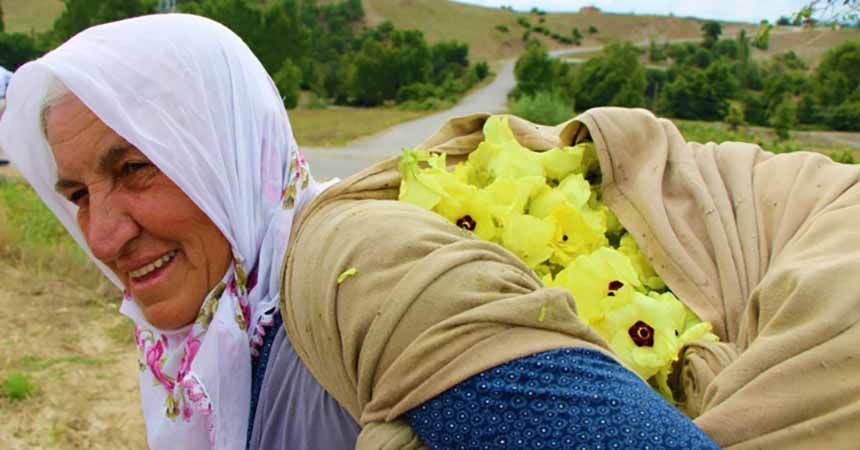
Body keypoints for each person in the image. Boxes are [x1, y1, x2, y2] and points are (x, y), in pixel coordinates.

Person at [2, 13, 858, 450]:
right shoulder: (217, 334)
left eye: (135, 168)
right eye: (76, 192)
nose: (104, 234)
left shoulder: (345, 276)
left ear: (222, 148)